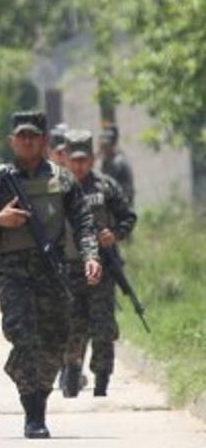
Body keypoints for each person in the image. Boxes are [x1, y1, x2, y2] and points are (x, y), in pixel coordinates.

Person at [0, 111, 101, 439]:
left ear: (44, 141)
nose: (27, 141)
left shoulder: (62, 178)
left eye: (33, 136)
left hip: (52, 270)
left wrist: (91, 256)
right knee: (23, 336)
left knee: (55, 338)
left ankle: (37, 391)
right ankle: (33, 413)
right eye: (21, 136)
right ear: (12, 141)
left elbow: (83, 222)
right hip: (11, 272)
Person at [60, 129, 137, 398]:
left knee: (103, 328)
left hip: (102, 270)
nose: (79, 165)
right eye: (74, 159)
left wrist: (114, 234)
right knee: (71, 327)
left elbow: (128, 217)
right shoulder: (55, 188)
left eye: (84, 159)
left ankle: (101, 381)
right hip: (67, 270)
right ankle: (70, 373)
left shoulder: (106, 187)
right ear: (65, 159)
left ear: (92, 159)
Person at [98, 125, 135, 204]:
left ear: (112, 145)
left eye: (106, 146)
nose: (103, 149)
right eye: (102, 146)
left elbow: (105, 183)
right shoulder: (107, 160)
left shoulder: (118, 161)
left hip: (123, 203)